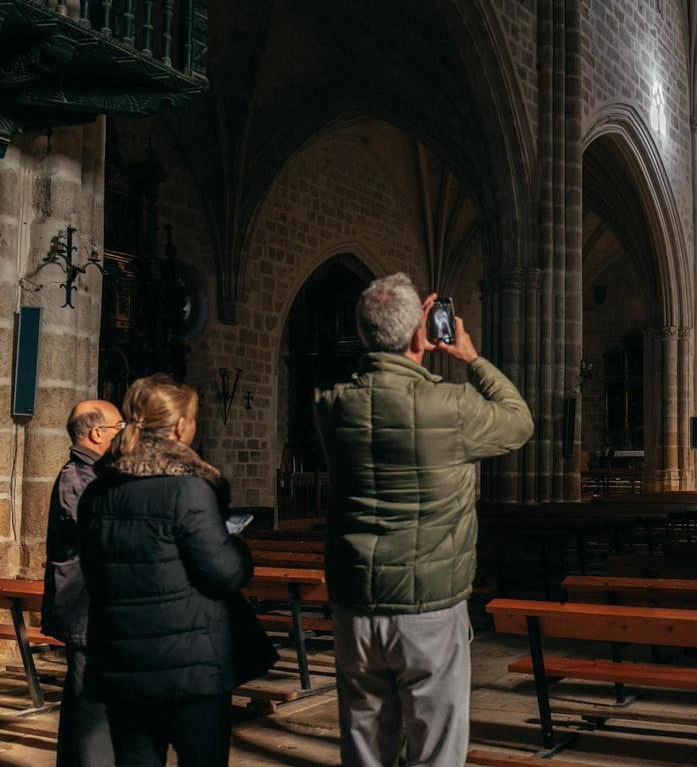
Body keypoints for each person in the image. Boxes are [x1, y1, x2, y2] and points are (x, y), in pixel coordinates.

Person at [315, 272, 534, 767]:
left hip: (357, 606)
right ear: (422, 334)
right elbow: (519, 421)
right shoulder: (452, 407)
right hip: (429, 610)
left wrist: (410, 334)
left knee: (366, 750)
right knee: (436, 748)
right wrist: (469, 357)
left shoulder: (332, 407)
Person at [78, 375, 274, 767]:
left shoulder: (99, 489)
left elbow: (94, 567)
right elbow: (223, 573)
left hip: (122, 660)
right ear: (181, 426)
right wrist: (236, 546)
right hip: (188, 667)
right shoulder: (188, 489)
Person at [43, 400, 123, 767]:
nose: (124, 434)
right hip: (85, 611)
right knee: (93, 717)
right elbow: (107, 538)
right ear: (96, 433)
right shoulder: (79, 480)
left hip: (91, 609)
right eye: (119, 427)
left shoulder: (96, 476)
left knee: (84, 709)